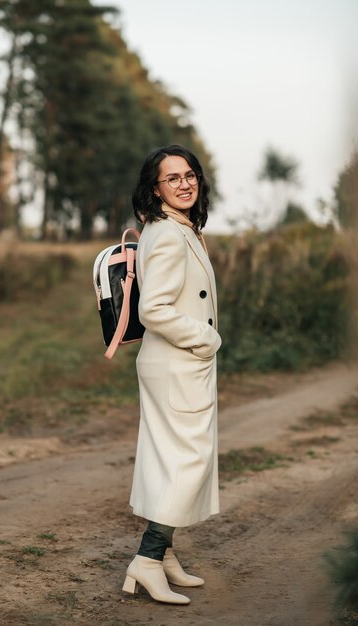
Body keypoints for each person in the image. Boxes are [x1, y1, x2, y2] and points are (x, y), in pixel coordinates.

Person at [122, 144, 222, 605]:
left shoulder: (178, 228)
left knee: (171, 461)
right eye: (172, 178)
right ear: (155, 187)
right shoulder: (165, 233)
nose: (184, 184)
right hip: (179, 362)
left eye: (189, 175)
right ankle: (147, 560)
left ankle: (162, 557)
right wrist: (205, 339)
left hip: (175, 364)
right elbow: (153, 308)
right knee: (187, 461)